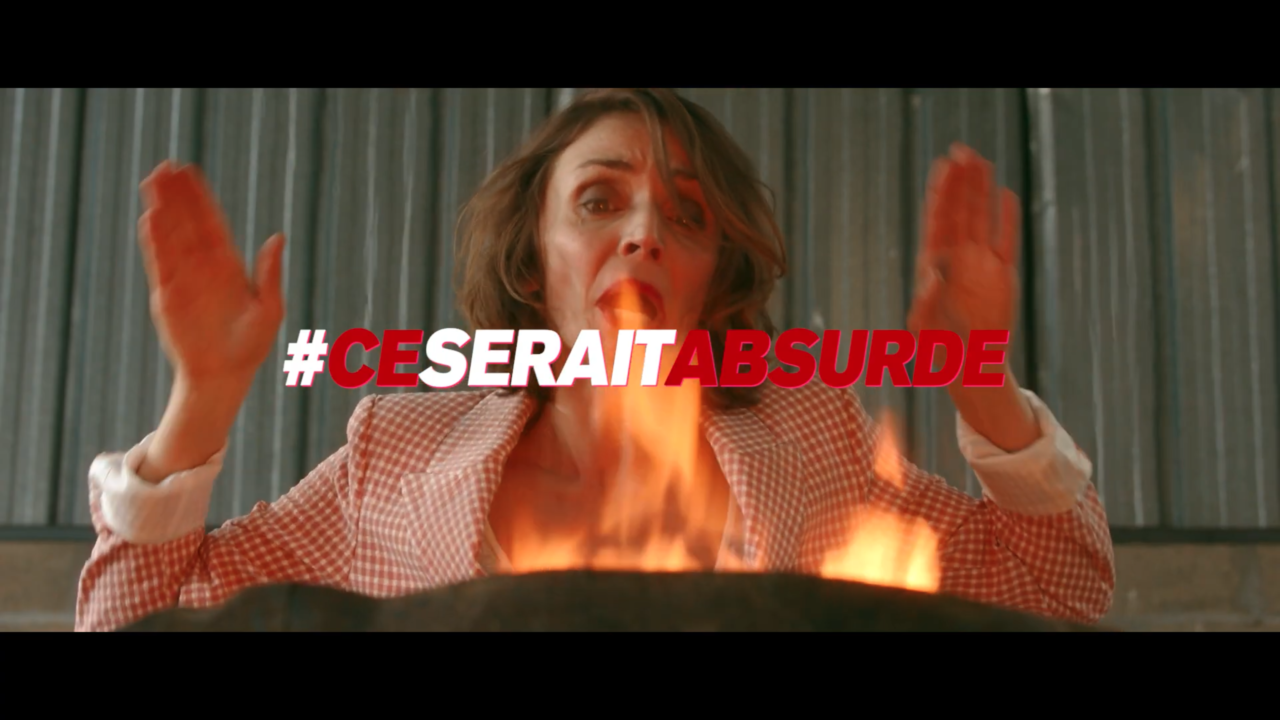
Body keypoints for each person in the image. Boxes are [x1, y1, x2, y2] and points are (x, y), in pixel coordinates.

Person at [75, 88, 1114, 632]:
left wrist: (980, 379)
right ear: (533, 261)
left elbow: (1059, 590)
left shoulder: (810, 435)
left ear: (711, 280)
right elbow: (127, 623)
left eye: (686, 215)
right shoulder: (399, 454)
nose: (644, 232)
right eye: (599, 199)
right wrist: (201, 400)